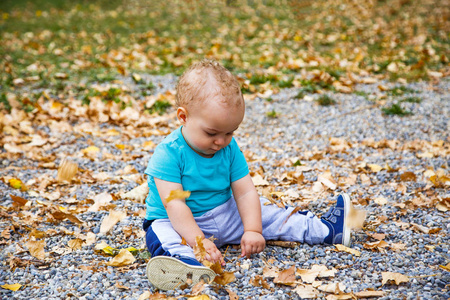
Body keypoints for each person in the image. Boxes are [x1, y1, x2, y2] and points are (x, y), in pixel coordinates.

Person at [143, 59, 351, 291]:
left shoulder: (229, 149)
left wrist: (253, 229)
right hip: (179, 222)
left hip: (224, 214)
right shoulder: (169, 153)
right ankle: (187, 264)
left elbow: (244, 192)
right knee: (161, 234)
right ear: (183, 117)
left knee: (270, 213)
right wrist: (198, 241)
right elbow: (176, 205)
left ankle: (327, 230)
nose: (221, 141)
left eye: (230, 132)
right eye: (211, 133)